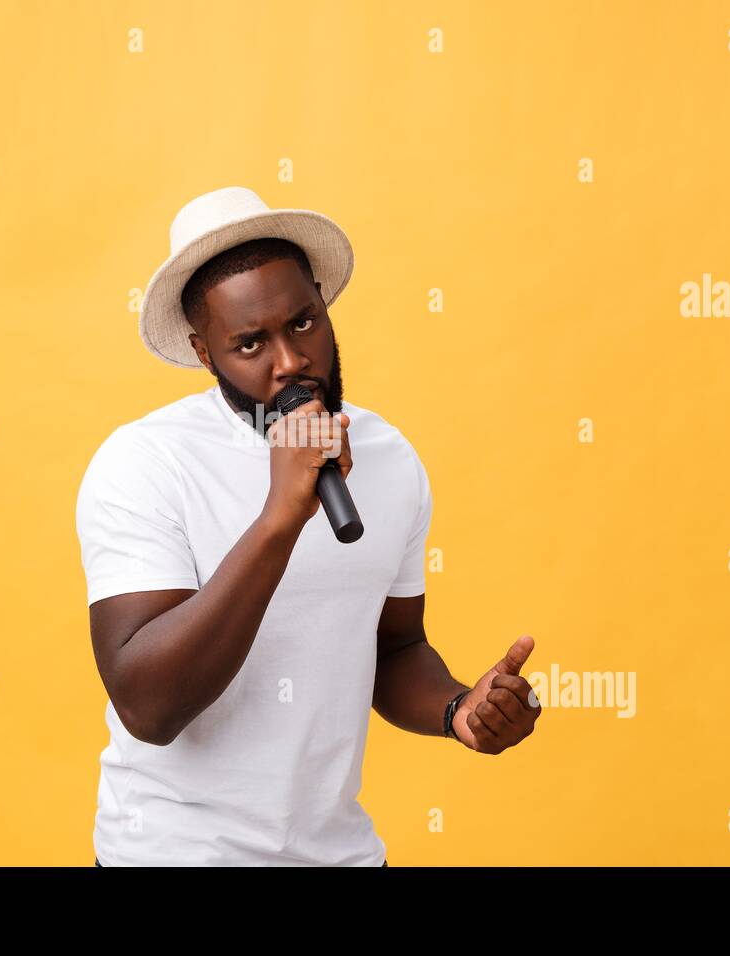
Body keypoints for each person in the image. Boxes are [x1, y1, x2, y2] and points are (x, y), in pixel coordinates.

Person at [76, 186, 542, 866]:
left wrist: (458, 710)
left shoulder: (391, 459)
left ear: (323, 305)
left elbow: (394, 647)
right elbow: (150, 706)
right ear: (205, 354)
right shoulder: (144, 464)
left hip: (339, 854)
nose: (290, 362)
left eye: (302, 323)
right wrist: (280, 518)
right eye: (249, 343)